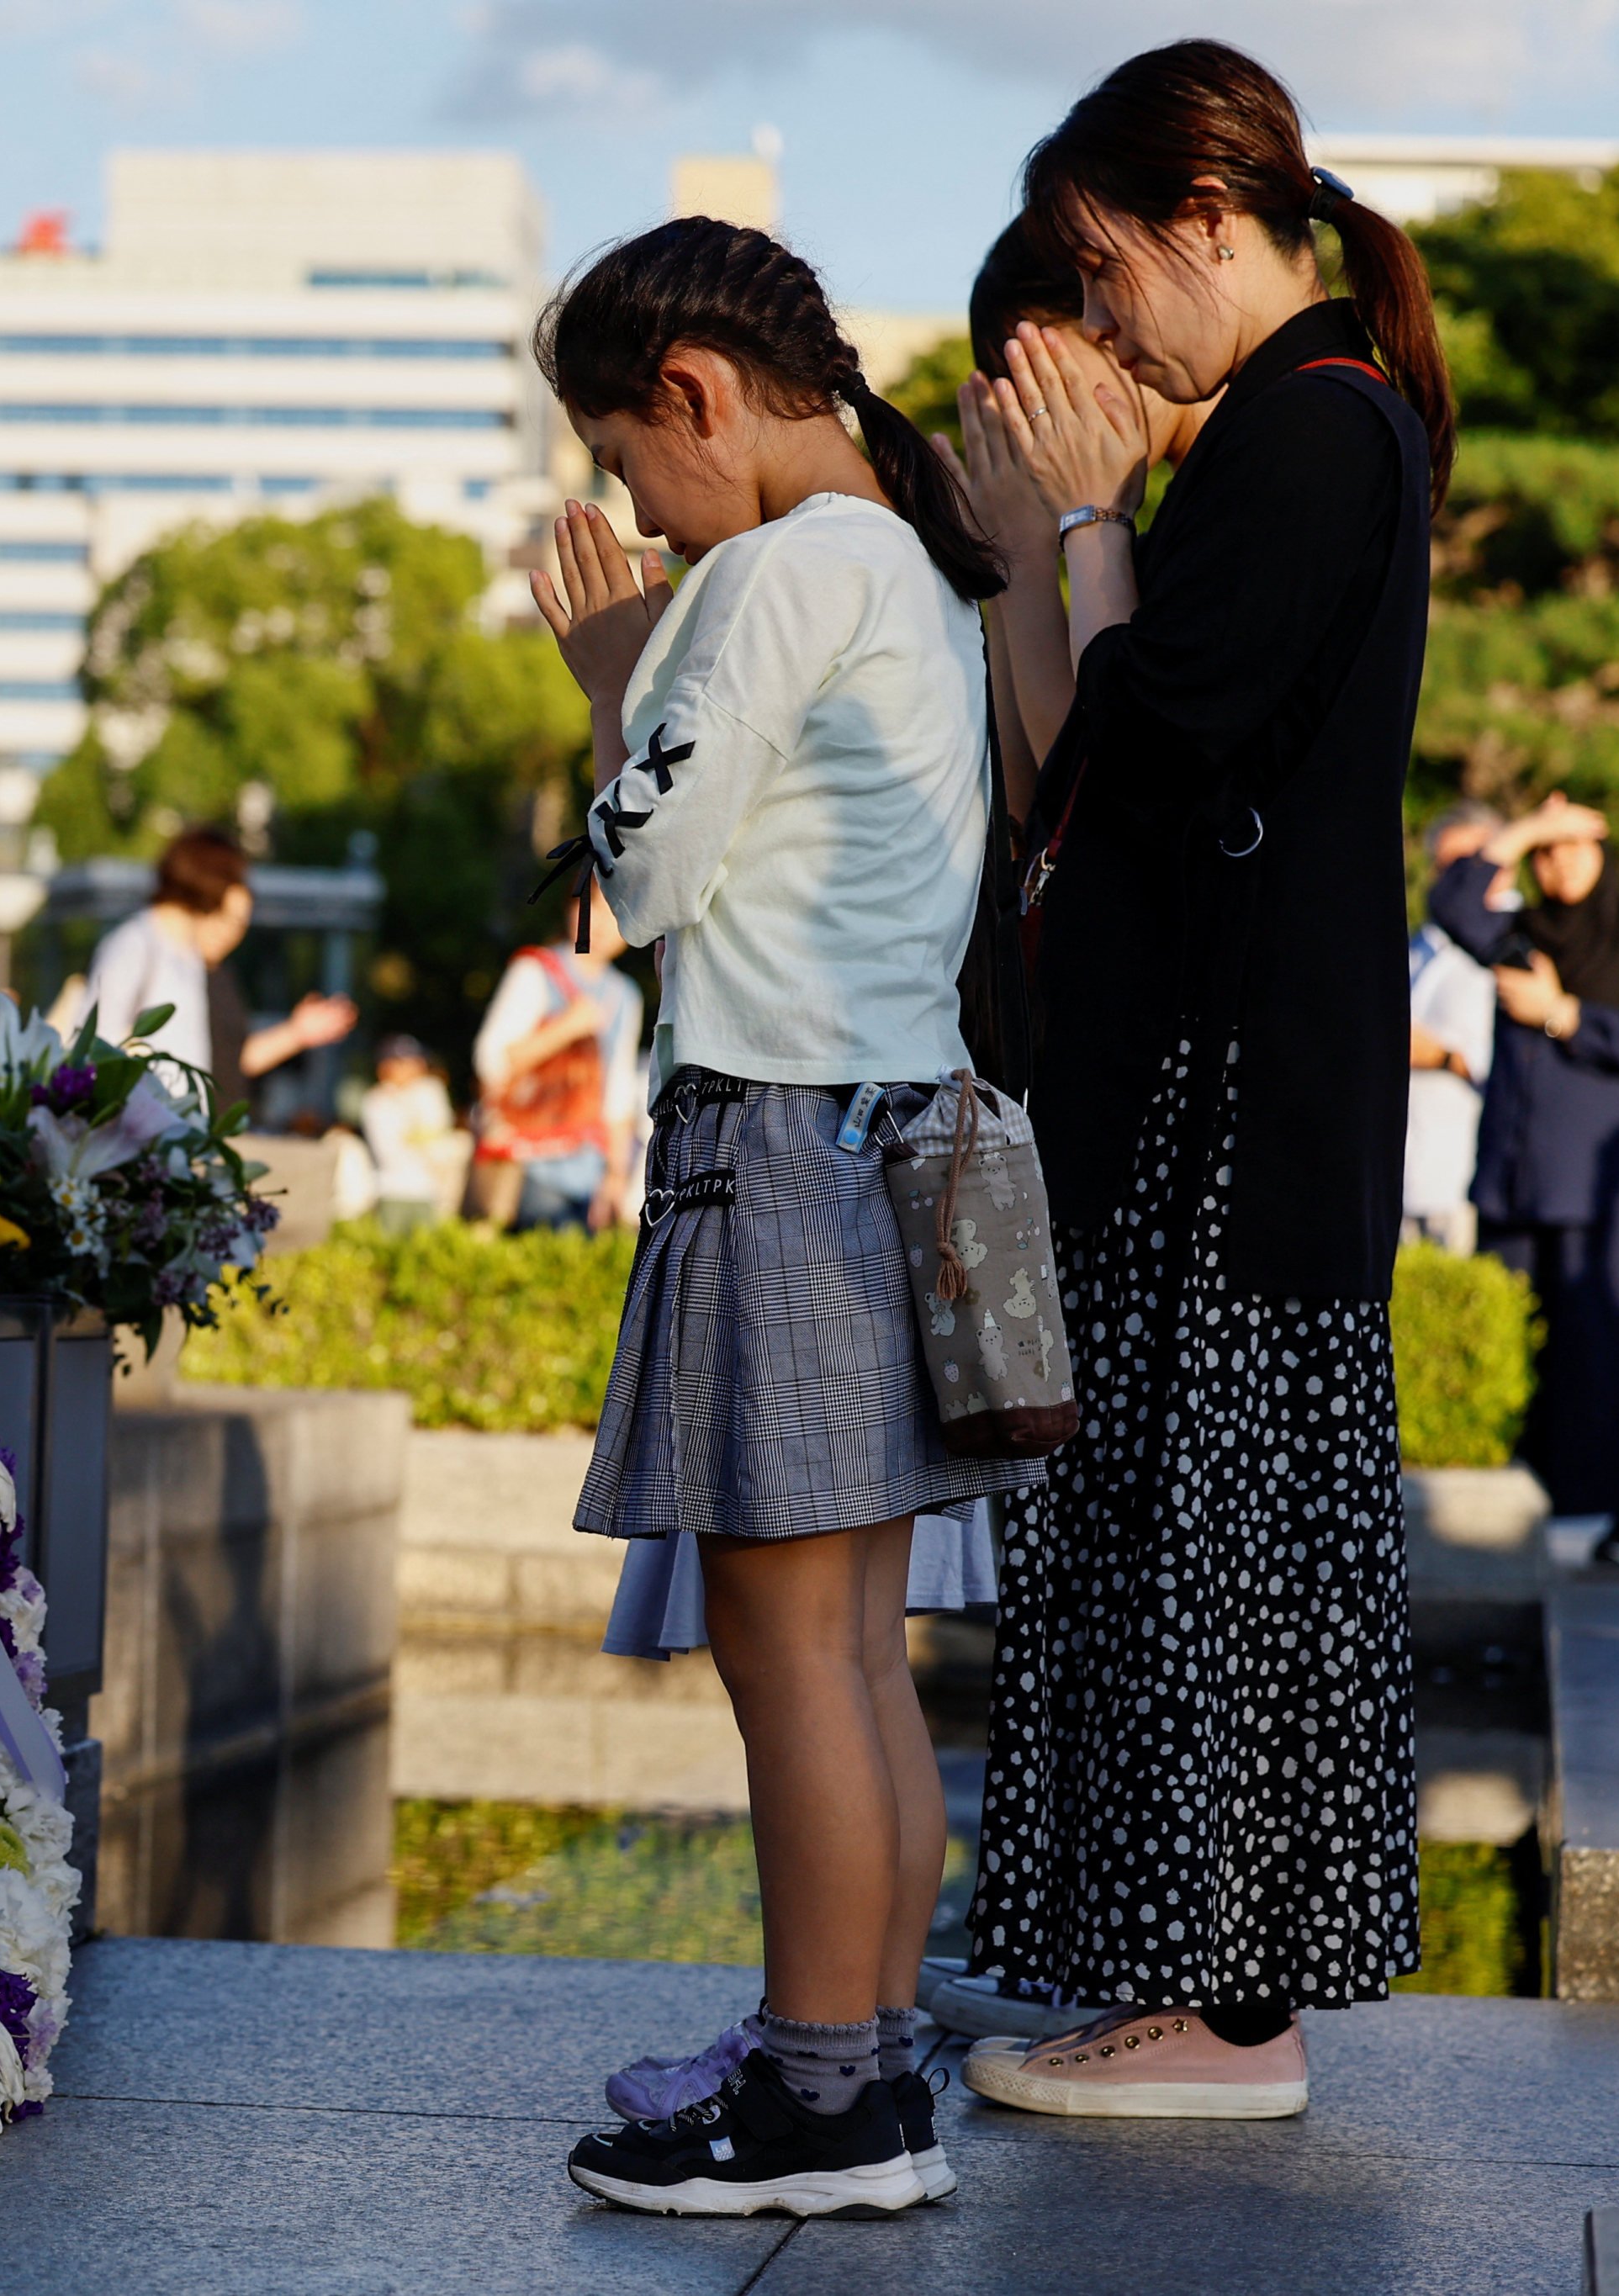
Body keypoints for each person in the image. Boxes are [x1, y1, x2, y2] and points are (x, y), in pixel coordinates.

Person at [949, 40, 1447, 2118]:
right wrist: (1061, 539)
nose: (1094, 325)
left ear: (1204, 224)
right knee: (1184, 1519)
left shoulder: (1317, 431)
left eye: (1100, 267)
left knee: (1232, 1525)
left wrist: (1077, 519)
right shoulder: (1292, 429)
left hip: (1253, 1089)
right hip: (1229, 1078)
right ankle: (1195, 1985)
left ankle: (1236, 2012)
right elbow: (1108, 765)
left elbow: (1152, 743)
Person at [528, 213, 1029, 2220]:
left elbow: (643, 886)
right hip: (899, 1149)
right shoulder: (904, 563)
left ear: (699, 397)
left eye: (624, 461)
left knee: (784, 1646)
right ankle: (864, 2059)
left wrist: (606, 678)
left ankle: (825, 2107)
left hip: (781, 1143)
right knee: (858, 1650)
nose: (628, 508)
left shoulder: (763, 578)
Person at [1428, 794, 1619, 1569]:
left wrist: (1560, 1013)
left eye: (1575, 846)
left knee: (1607, 1346)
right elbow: (1450, 903)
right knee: (1515, 1343)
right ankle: (1521, 1502)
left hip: (1606, 1193)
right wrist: (1522, 829)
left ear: (1605, 854)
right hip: (1519, 1178)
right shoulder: (1519, 934)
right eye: (1548, 851)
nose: (1560, 862)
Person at [944, 215, 1218, 796]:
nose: (1037, 428)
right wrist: (994, 562)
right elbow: (1026, 806)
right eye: (1017, 399)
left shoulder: (1227, 495)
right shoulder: (1165, 504)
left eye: (1045, 384)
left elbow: (1089, 782)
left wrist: (1024, 557)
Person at [83, 828, 355, 1109]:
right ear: (208, 881)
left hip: (179, 1130)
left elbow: (221, 1058)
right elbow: (94, 1044)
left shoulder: (189, 958)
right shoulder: (135, 944)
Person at [468, 919, 647, 1230]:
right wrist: (565, 1028)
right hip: (527, 1161)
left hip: (589, 1165)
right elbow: (491, 1062)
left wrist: (616, 1173)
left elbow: (617, 1092)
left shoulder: (624, 995)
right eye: (593, 906)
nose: (605, 924)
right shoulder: (535, 971)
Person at [1405, 801, 1503, 1255]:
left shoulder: (1515, 940)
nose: (1450, 878)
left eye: (1465, 865)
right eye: (1442, 866)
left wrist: (1442, 1055)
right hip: (1399, 1170)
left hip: (1462, 1175)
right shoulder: (1418, 944)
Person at [358, 1037, 464, 1232]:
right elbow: (391, 1153)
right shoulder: (376, 1101)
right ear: (385, 1067)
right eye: (403, 1063)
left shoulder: (429, 1093)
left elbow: (441, 1134)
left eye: (415, 1061)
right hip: (393, 1192)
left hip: (430, 1192)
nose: (413, 1068)